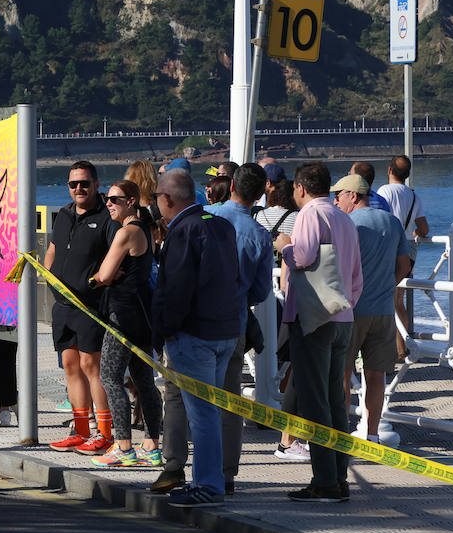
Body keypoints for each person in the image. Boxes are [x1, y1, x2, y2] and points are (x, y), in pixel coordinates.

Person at [149, 168, 241, 507]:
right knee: (211, 412)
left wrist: (160, 334)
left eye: (158, 197)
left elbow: (173, 289)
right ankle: (213, 478)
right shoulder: (220, 225)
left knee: (201, 414)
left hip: (194, 334)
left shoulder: (183, 231)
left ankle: (209, 484)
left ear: (167, 199)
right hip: (225, 330)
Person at [281, 162, 363, 502]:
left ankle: (325, 480)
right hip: (343, 315)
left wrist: (283, 245)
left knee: (315, 402)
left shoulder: (311, 214)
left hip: (315, 319)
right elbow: (357, 275)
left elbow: (302, 256)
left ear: (300, 188)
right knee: (335, 402)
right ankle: (338, 476)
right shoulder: (344, 217)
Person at [202, 163, 274, 494]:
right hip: (235, 323)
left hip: (198, 320)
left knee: (192, 398)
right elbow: (261, 292)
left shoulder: (204, 217)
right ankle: (227, 471)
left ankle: (190, 468)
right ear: (261, 195)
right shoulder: (259, 234)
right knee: (230, 399)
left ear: (230, 185)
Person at [87, 180, 163, 467]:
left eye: (115, 200)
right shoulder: (146, 229)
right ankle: (151, 446)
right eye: (107, 199)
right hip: (143, 313)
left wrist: (93, 279)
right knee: (144, 381)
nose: (108, 203)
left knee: (110, 378)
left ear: (131, 201)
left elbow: (104, 275)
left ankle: (124, 446)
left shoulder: (125, 232)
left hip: (121, 313)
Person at [333, 173, 411, 445]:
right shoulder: (392, 221)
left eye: (339, 195)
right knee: (376, 375)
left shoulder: (347, 223)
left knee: (343, 372)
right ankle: (373, 434)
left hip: (351, 310)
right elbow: (404, 266)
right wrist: (386, 285)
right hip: (383, 310)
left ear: (353, 196)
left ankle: (341, 434)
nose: (336, 200)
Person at [44, 160, 114, 454]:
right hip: (62, 306)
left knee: (91, 366)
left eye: (84, 183)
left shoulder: (107, 217)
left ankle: (105, 432)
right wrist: (49, 276)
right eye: (73, 184)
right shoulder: (63, 214)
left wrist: (94, 284)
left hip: (91, 306)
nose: (79, 189)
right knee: (71, 366)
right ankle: (81, 430)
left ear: (97, 185)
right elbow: (53, 249)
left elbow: (118, 258)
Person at [377, 155, 428, 358]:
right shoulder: (414, 196)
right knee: (398, 300)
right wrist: (415, 233)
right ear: (407, 175)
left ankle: (396, 349)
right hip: (408, 252)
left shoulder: (384, 192)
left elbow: (379, 220)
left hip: (390, 249)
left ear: (389, 170)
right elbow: (424, 227)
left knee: (388, 300)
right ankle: (402, 346)